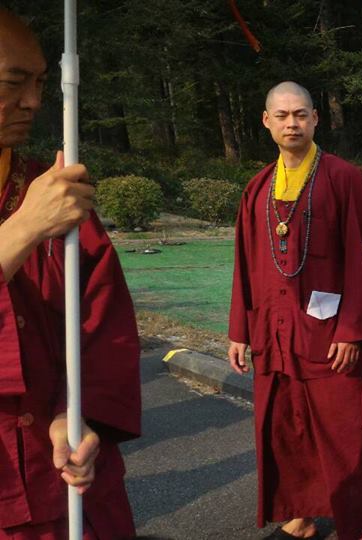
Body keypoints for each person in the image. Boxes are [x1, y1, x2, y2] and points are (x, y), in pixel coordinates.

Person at [228, 81, 362, 540]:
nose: (292, 124)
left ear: (315, 119)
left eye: (300, 115)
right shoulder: (258, 187)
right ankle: (300, 516)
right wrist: (239, 330)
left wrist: (353, 329)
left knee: (345, 432)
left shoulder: (343, 178)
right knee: (286, 429)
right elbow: (244, 262)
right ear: (266, 122)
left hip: (329, 335)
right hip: (274, 332)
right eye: (282, 116)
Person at [0, 9, 141, 539]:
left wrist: (78, 414)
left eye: (40, 82)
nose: (34, 101)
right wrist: (23, 229)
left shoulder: (55, 192)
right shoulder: (42, 207)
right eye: (13, 82)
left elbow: (105, 325)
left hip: (67, 479)